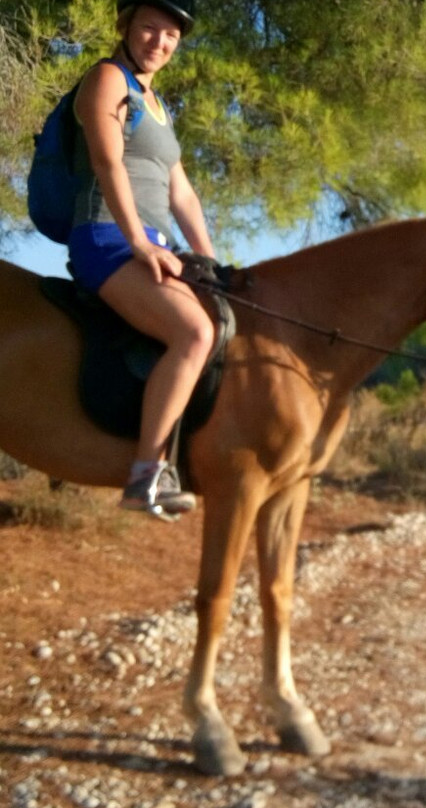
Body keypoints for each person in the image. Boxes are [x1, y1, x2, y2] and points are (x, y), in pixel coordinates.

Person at [69, 0, 214, 518]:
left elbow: (183, 195)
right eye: (150, 28)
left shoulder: (159, 107)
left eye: (171, 34)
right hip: (106, 236)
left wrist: (210, 259)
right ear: (126, 27)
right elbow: (107, 160)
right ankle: (145, 475)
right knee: (194, 332)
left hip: (152, 241)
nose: (160, 41)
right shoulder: (108, 79)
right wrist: (138, 240)